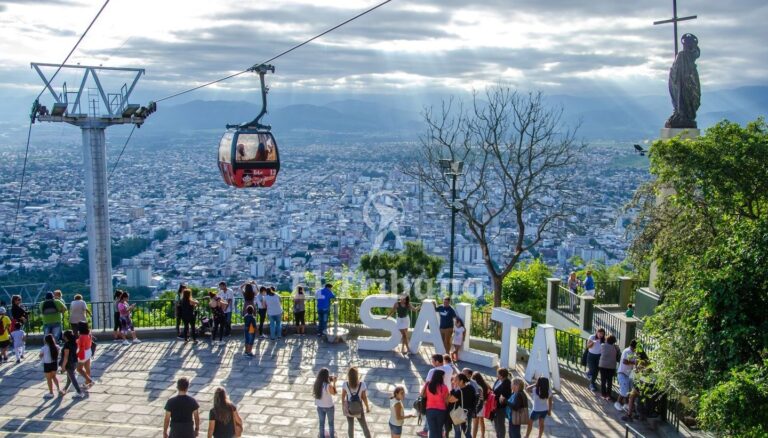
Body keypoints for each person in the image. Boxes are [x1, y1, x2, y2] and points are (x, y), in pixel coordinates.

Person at [342, 367, 371, 438]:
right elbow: (364, 397)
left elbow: (343, 396)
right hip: (359, 407)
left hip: (349, 406)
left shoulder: (345, 384)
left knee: (350, 426)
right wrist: (367, 407)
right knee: (364, 426)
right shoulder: (362, 384)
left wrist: (343, 406)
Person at [423, 369, 450, 438]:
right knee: (439, 430)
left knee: (432, 430)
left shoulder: (428, 385)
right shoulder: (444, 387)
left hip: (429, 410)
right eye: (443, 376)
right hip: (441, 411)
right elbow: (447, 401)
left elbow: (423, 395)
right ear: (440, 377)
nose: (444, 378)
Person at [448, 373, 477, 438]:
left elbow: (450, 400)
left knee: (458, 432)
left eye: (456, 380)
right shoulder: (471, 387)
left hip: (460, 412)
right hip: (469, 412)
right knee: (467, 432)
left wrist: (453, 389)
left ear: (461, 381)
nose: (454, 381)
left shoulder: (459, 391)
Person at [60, 330, 86, 399]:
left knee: (72, 378)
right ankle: (65, 389)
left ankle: (79, 392)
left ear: (66, 337)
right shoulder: (75, 342)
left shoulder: (67, 345)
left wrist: (63, 366)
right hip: (75, 361)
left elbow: (66, 357)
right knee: (69, 377)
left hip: (69, 363)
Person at [615, 339, 638, 412]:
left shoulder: (633, 353)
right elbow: (624, 361)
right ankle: (618, 403)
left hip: (628, 374)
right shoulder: (627, 351)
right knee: (624, 390)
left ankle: (626, 404)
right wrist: (633, 363)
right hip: (622, 373)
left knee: (628, 390)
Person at [313, 368, 337, 438]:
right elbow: (334, 393)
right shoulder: (328, 386)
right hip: (329, 407)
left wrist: (330, 380)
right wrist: (334, 382)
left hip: (320, 407)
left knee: (321, 424)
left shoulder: (317, 384)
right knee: (331, 424)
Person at [598, 334, 621, 401]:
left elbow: (599, 352)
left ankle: (603, 394)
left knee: (603, 380)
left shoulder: (603, 345)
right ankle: (608, 395)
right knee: (609, 381)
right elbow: (618, 356)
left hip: (603, 365)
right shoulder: (616, 348)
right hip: (611, 366)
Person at [40, 333, 63, 398]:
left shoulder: (43, 348)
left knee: (49, 379)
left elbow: (40, 356)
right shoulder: (57, 347)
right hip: (54, 364)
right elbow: (59, 353)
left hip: (47, 364)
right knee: (54, 377)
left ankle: (51, 392)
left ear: (46, 341)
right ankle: (58, 389)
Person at [492, 368, 513, 438]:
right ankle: (498, 435)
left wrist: (497, 397)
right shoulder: (498, 380)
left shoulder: (507, 383)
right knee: (496, 422)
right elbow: (494, 389)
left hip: (501, 407)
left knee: (500, 424)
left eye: (497, 373)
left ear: (501, 375)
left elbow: (506, 395)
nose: (496, 374)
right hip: (495, 405)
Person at [472, 372, 492, 438]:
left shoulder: (476, 386)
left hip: (477, 406)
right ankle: (483, 436)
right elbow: (490, 391)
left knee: (475, 423)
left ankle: (474, 436)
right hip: (483, 405)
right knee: (481, 421)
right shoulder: (485, 385)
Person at [586, 327, 605, 391]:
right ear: (597, 332)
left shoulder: (603, 340)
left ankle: (592, 384)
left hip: (599, 356)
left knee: (596, 371)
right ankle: (589, 373)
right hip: (591, 355)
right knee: (593, 369)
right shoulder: (592, 337)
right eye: (600, 333)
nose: (601, 335)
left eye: (602, 334)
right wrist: (593, 342)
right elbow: (588, 346)